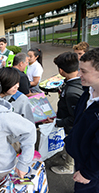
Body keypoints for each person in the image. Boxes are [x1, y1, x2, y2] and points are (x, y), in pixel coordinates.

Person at [64, 48, 99, 192]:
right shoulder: (87, 92)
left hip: (93, 169)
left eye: (84, 71)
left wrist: (88, 173)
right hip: (83, 158)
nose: (79, 75)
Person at [44, 52, 84, 175]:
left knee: (71, 142)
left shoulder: (72, 92)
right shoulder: (78, 81)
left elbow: (75, 118)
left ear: (61, 71)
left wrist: (57, 122)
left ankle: (68, 166)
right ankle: (69, 157)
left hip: (72, 127)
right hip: (70, 123)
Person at [0, 67, 35, 154]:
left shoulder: (21, 99)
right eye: (13, 84)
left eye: (17, 82)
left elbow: (30, 124)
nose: (17, 86)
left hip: (13, 142)